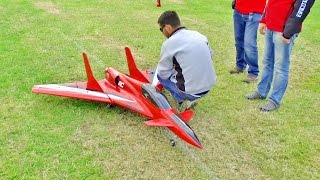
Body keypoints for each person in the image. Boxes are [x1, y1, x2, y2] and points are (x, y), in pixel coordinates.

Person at [245, 0, 315, 112]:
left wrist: (288, 32)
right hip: (271, 27)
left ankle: (274, 100)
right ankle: (261, 91)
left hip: (284, 31)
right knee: (267, 62)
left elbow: (302, 8)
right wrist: (264, 20)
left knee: (281, 67)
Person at [155, 10, 217, 111]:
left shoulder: (169, 43)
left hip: (191, 91)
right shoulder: (199, 35)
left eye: (161, 29)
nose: (162, 32)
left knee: (160, 76)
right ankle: (190, 96)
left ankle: (181, 100)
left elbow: (163, 73)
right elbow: (211, 55)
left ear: (167, 27)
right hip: (209, 86)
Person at [230, 0, 266, 83]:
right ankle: (240, 65)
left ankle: (253, 73)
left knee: (249, 44)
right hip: (238, 9)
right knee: (238, 41)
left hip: (255, 12)